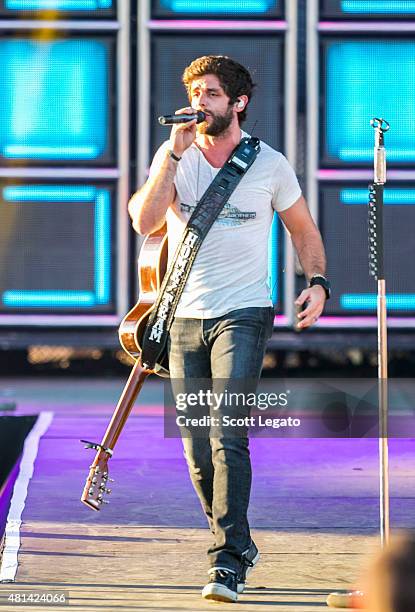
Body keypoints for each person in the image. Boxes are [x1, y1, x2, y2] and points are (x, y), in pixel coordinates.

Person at [128, 55, 330, 603]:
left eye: (212, 94)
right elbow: (144, 222)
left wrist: (316, 281)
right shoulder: (174, 157)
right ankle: (236, 539)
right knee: (196, 448)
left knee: (226, 433)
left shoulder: (269, 164)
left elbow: (303, 230)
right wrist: (171, 156)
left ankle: (227, 561)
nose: (200, 103)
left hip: (244, 312)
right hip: (183, 314)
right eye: (195, 92)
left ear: (237, 102)